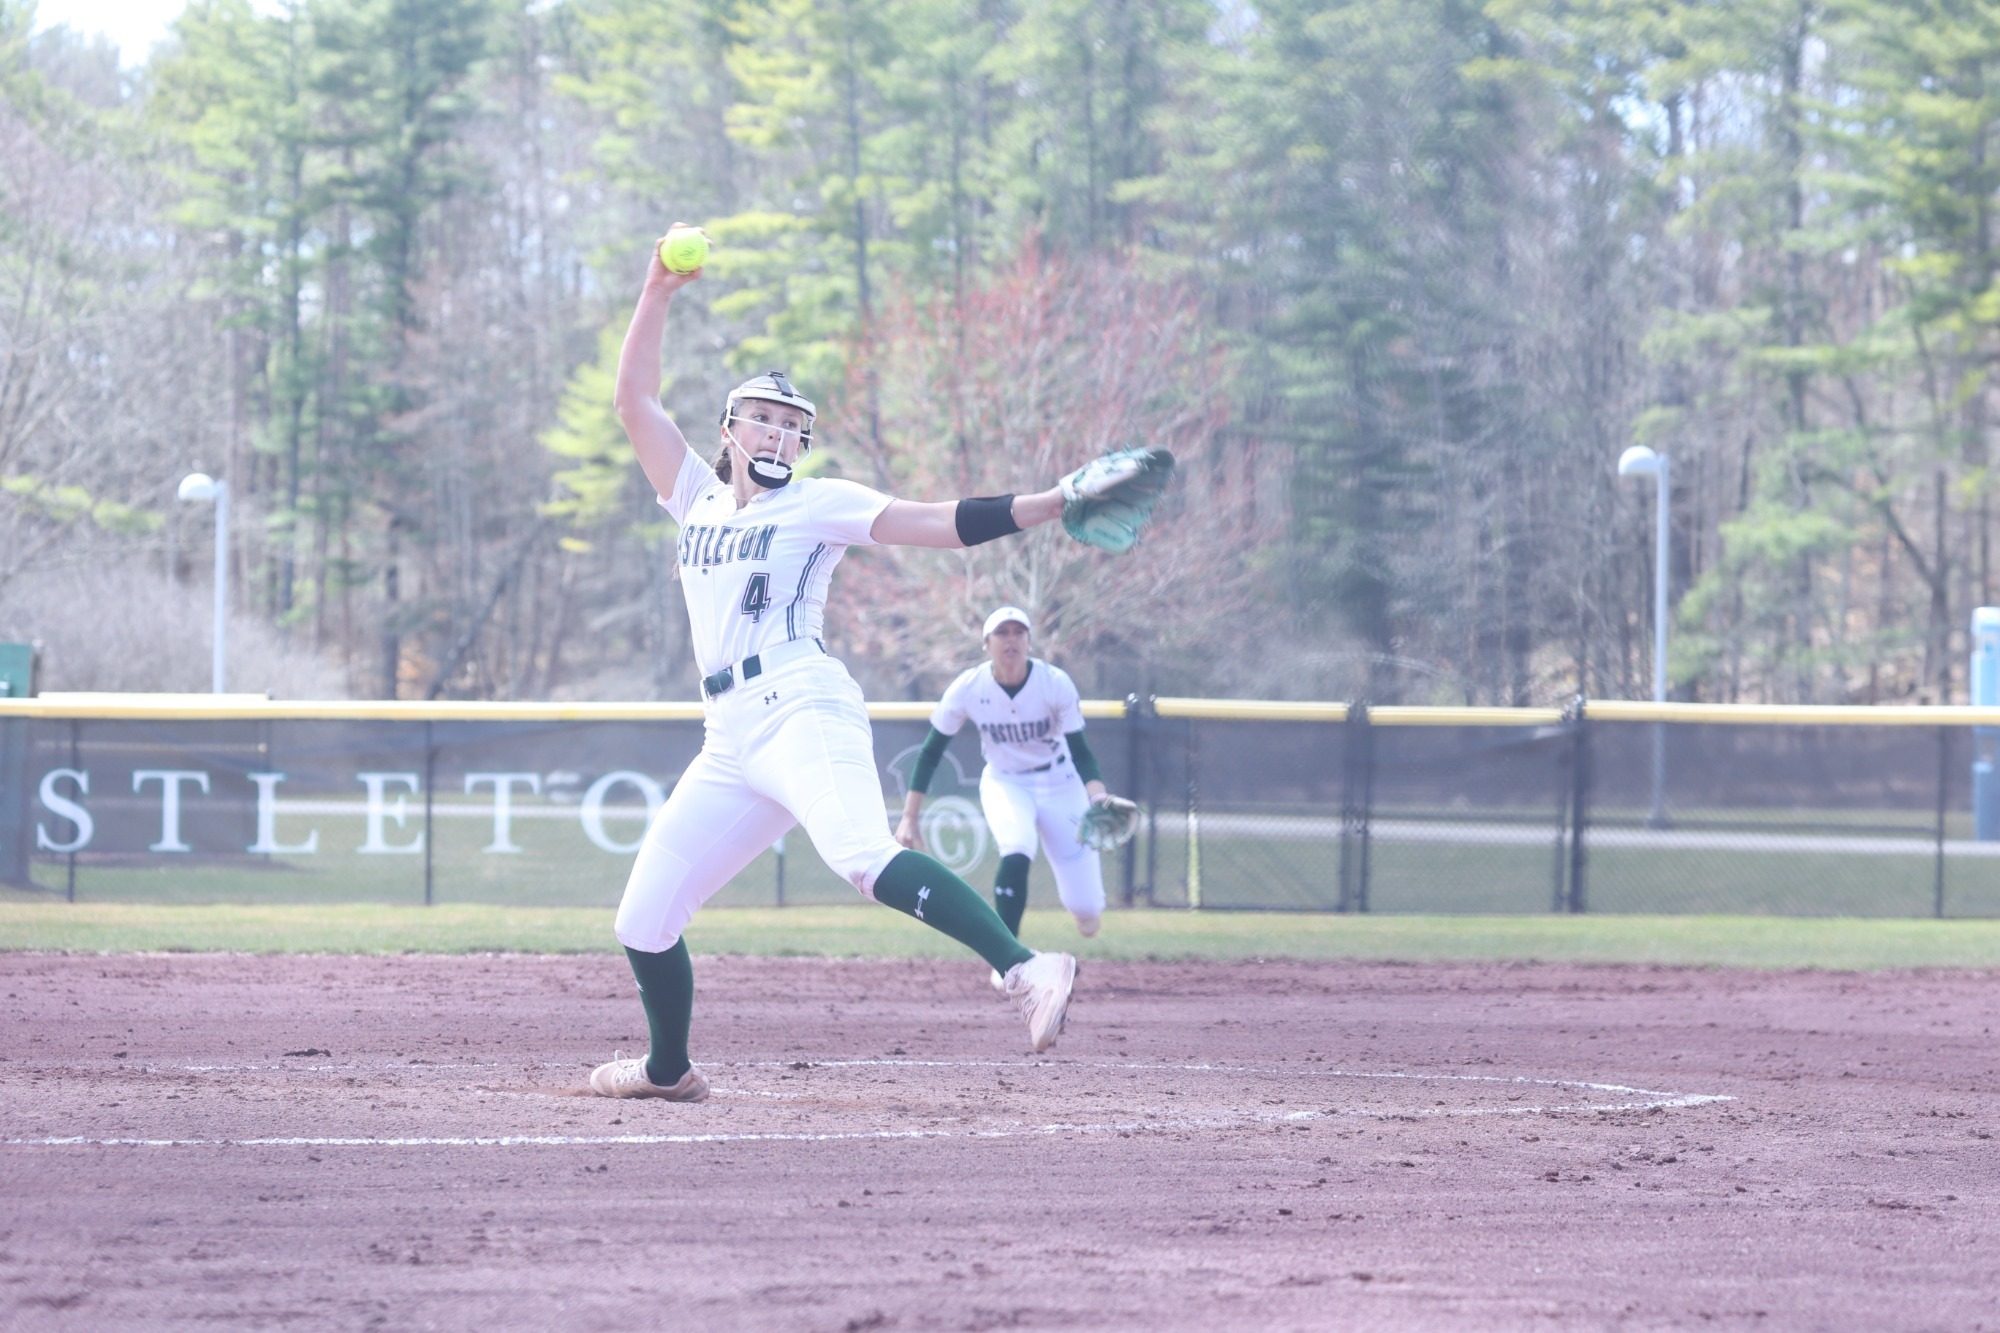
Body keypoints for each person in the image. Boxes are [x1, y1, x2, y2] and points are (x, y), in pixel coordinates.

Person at [589, 233, 1081, 1101]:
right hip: (729, 734)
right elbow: (632, 399)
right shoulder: (696, 495)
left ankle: (1028, 967)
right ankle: (669, 1070)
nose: (778, 431)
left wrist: (1051, 503)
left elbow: (939, 522)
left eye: (793, 424)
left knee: (860, 852)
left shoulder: (818, 504)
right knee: (644, 917)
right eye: (764, 419)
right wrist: (656, 288)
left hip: (800, 704)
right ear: (731, 430)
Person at [894, 608, 1114, 976]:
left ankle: (1086, 916)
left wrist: (1098, 798)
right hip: (1006, 781)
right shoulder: (969, 687)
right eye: (1002, 633)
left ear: (1028, 640)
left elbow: (1082, 752)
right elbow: (931, 751)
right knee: (1016, 848)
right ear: (987, 643)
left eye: (1018, 632)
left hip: (1062, 784)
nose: (1011, 639)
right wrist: (909, 816)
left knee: (1086, 908)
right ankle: (1007, 961)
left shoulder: (1054, 682)